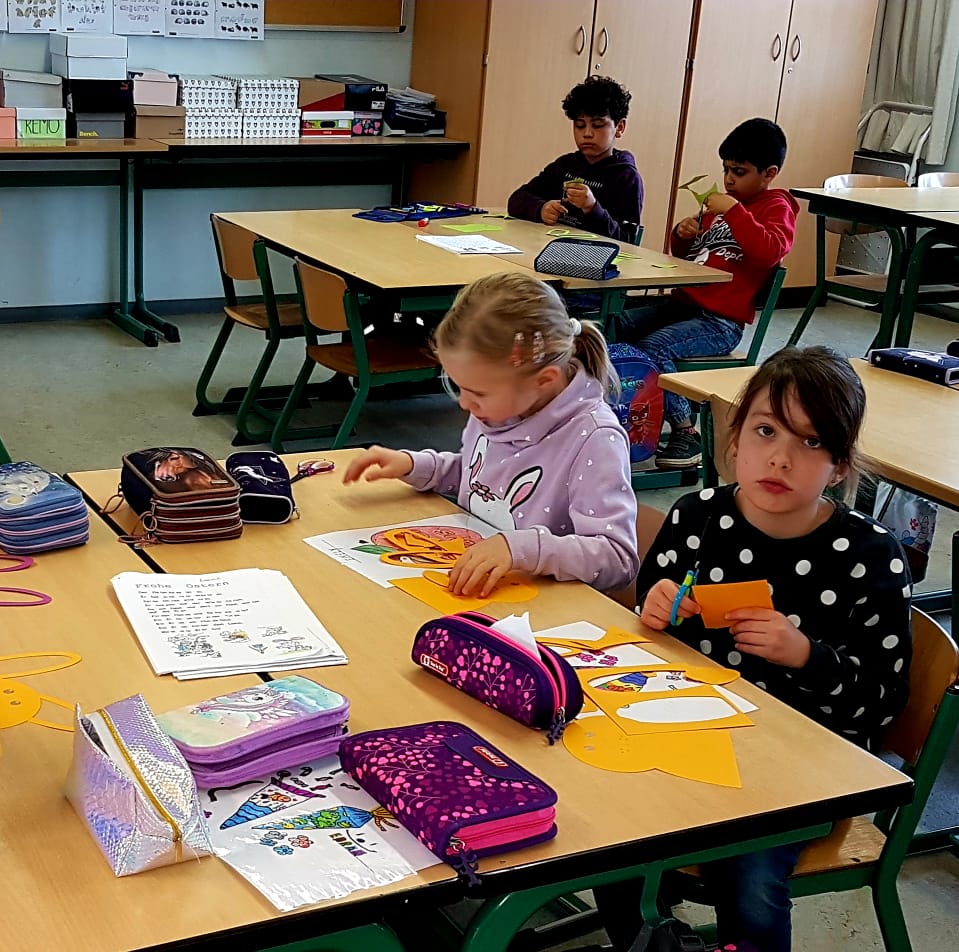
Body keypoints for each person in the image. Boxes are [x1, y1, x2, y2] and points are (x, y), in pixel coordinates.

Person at [599, 346, 911, 952]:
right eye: (766, 431)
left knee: (749, 876)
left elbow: (882, 702)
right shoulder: (697, 518)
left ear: (840, 467)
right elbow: (647, 645)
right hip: (687, 736)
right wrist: (654, 612)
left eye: (811, 442)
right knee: (610, 832)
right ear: (735, 437)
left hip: (803, 769)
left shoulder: (869, 555)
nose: (781, 458)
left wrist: (807, 656)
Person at [344, 271, 638, 595]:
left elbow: (617, 559)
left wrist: (520, 549)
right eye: (458, 387)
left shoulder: (595, 439)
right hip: (480, 589)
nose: (464, 403)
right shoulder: (501, 407)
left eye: (478, 393)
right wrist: (416, 466)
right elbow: (481, 480)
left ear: (544, 380)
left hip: (542, 610)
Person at [618, 118, 797, 470]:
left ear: (769, 173)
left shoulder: (777, 206)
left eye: (739, 172)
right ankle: (621, 412)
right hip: (684, 306)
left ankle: (686, 432)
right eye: (726, 169)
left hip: (720, 322)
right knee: (616, 324)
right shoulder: (725, 209)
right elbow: (690, 259)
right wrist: (683, 235)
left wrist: (734, 211)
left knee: (655, 347)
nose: (729, 179)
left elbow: (771, 250)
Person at [508, 75, 643, 242]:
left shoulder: (627, 177)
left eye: (598, 125)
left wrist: (593, 208)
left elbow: (627, 240)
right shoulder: (565, 165)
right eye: (579, 125)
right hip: (554, 246)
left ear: (619, 127)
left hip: (595, 254)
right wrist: (541, 209)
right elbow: (517, 199)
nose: (587, 133)